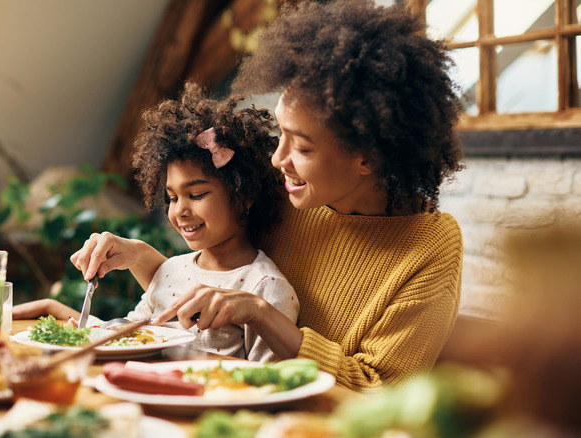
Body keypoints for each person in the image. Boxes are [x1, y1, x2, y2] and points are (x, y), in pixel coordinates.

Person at [70, 0, 464, 391]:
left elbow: (378, 393)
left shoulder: (428, 247)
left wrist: (262, 314)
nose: (278, 159)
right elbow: (212, 277)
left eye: (303, 148)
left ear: (369, 156)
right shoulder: (288, 194)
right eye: (282, 134)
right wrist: (138, 255)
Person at [15, 82, 298, 362]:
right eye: (172, 198)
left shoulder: (263, 286)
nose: (180, 211)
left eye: (196, 194)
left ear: (244, 194)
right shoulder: (170, 270)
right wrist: (56, 311)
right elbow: (124, 338)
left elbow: (271, 380)